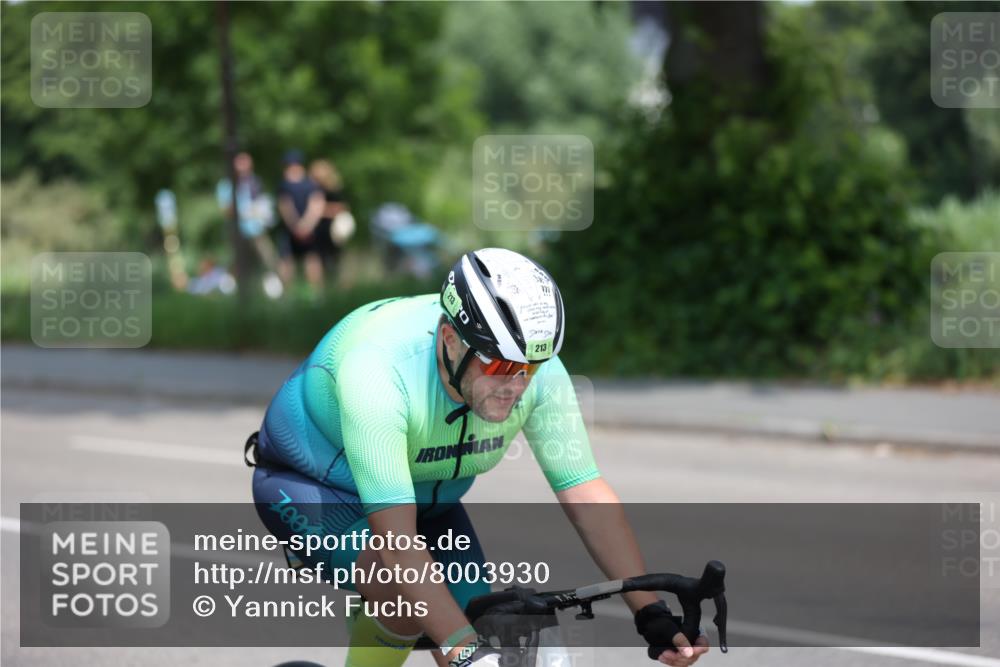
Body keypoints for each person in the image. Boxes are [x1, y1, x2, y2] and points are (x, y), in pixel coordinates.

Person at [247, 248, 710, 667]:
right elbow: (397, 544)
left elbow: (585, 494)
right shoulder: (378, 373)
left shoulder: (536, 370)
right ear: (451, 340)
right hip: (314, 486)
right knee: (415, 611)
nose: (517, 384)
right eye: (501, 366)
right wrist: (465, 652)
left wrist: (649, 611)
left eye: (530, 368)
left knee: (488, 629)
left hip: (429, 501)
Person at [216, 152, 282, 296]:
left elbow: (262, 202)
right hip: (237, 230)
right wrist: (245, 211)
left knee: (268, 258)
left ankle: (272, 290)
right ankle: (230, 289)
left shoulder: (255, 182)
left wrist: (262, 211)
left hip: (256, 229)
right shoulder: (226, 184)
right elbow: (226, 210)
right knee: (238, 261)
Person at [276, 149, 327, 293]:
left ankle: (311, 295)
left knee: (307, 260)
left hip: (296, 229)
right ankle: (315, 296)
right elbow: (316, 205)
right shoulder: (310, 184)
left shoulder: (285, 185)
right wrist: (305, 226)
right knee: (295, 261)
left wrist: (299, 226)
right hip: (301, 229)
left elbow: (286, 207)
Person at [308, 159, 354, 279]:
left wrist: (319, 211)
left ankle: (337, 283)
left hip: (332, 229)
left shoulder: (332, 191)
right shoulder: (315, 191)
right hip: (320, 230)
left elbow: (342, 208)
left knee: (333, 259)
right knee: (321, 259)